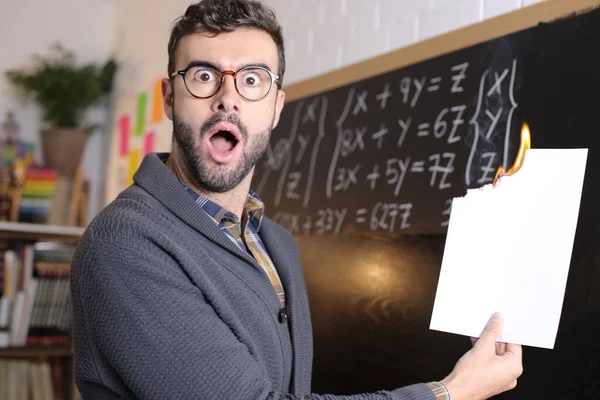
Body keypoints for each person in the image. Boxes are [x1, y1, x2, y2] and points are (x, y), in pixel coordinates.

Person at [70, 0, 523, 399]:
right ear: (170, 97)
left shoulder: (277, 244)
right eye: (204, 75)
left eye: (253, 79)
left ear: (277, 107)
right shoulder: (125, 243)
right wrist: (452, 393)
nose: (227, 99)